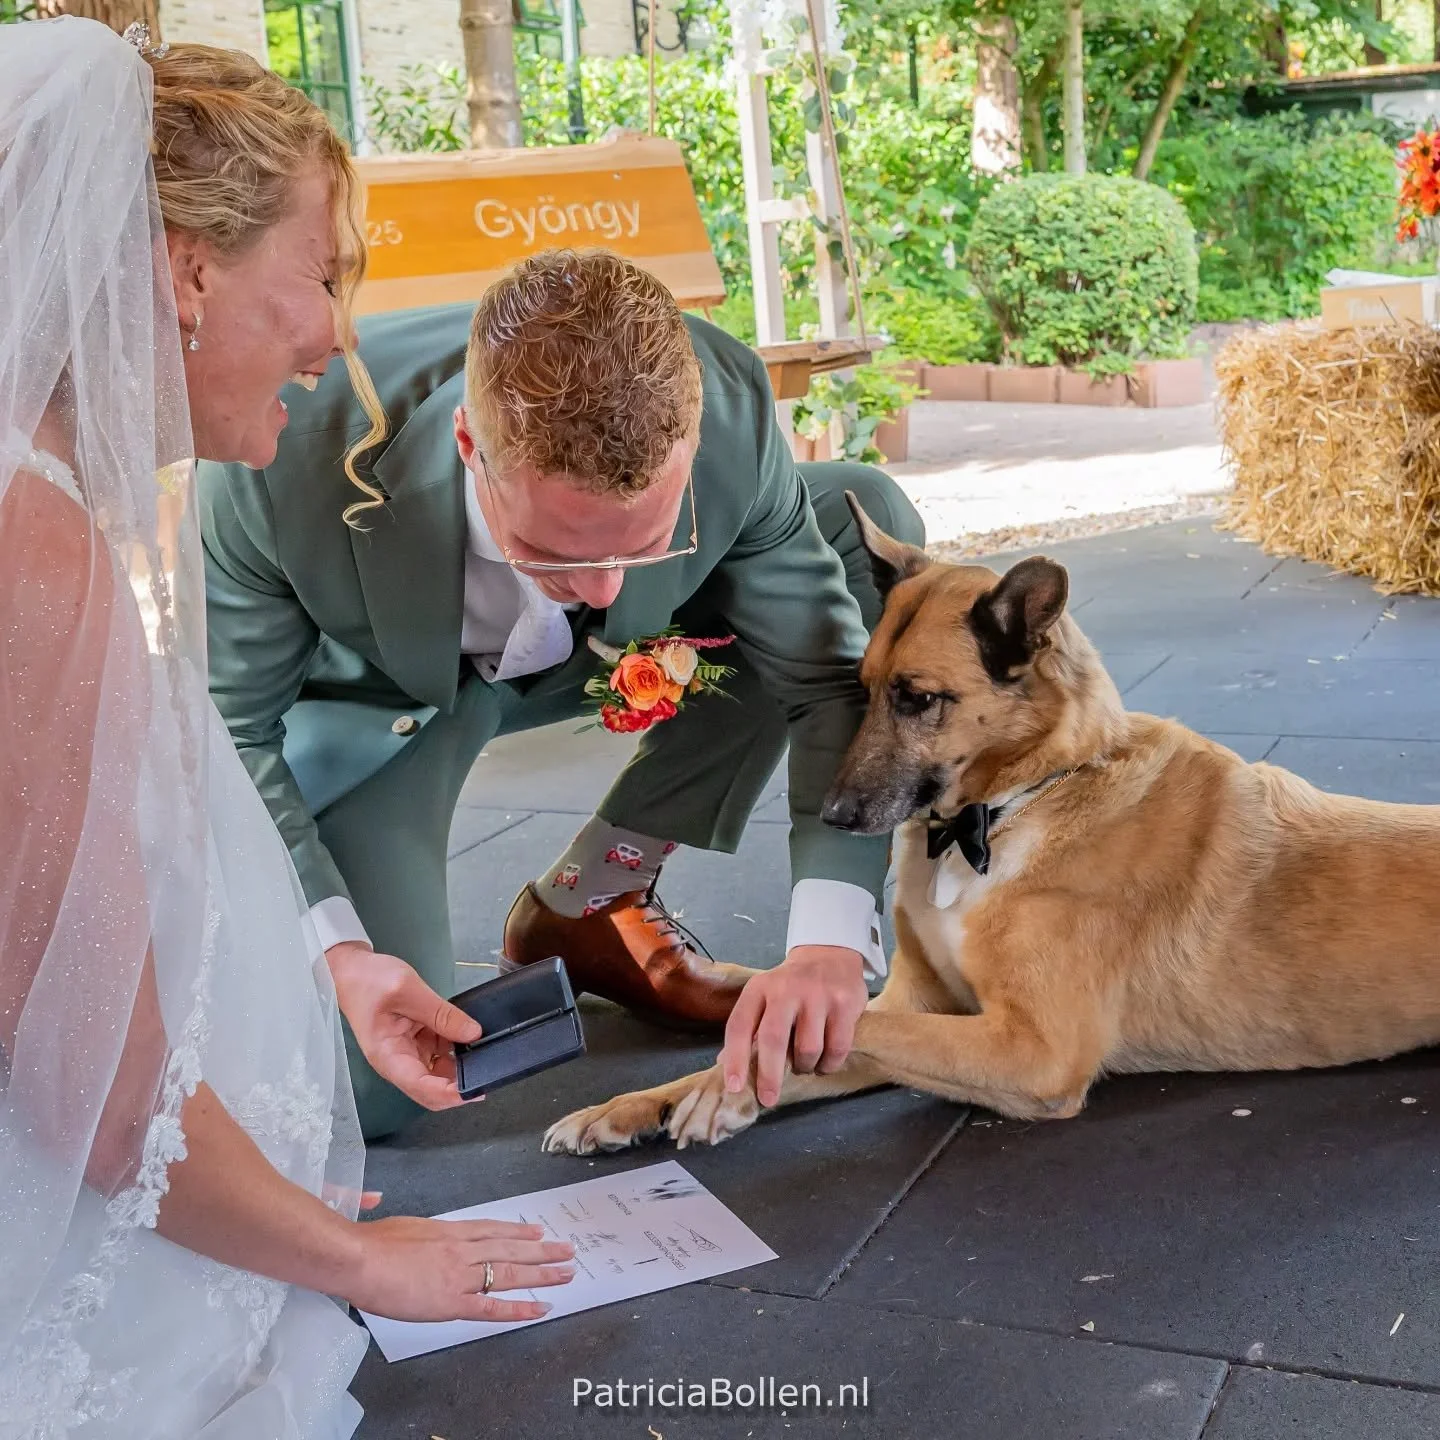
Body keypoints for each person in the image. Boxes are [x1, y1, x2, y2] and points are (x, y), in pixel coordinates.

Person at [0, 21, 573, 1436]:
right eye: (320, 275)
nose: (337, 335)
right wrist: (362, 1258)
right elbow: (89, 1078)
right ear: (188, 275)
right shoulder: (35, 551)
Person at [201, 247, 927, 1142]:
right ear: (471, 446)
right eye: (557, 552)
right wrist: (340, 953)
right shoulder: (284, 450)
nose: (605, 592)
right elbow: (233, 729)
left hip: (607, 663)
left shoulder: (723, 405)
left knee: (863, 513)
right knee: (383, 1084)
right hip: (391, 703)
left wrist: (828, 940)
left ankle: (590, 897)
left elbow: (824, 677)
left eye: (644, 543)